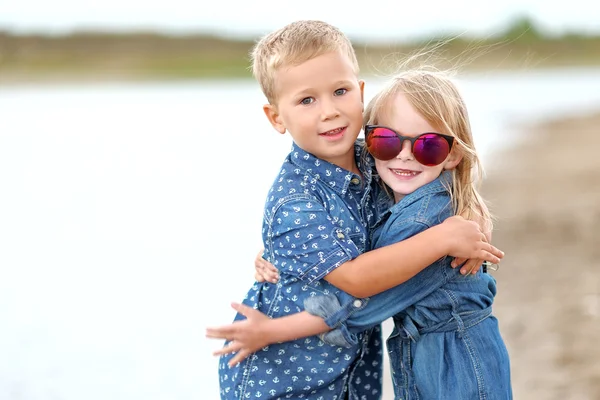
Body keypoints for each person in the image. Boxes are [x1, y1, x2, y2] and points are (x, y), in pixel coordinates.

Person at [210, 20, 504, 400]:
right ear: (276, 117)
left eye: (340, 91)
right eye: (307, 100)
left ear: (360, 92)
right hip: (287, 376)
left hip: (350, 370)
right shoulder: (294, 200)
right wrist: (445, 236)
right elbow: (357, 280)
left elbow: (437, 180)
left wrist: (473, 217)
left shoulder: (378, 156)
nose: (329, 111)